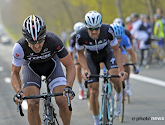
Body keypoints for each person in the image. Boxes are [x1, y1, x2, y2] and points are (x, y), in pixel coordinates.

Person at [11, 15, 75, 125]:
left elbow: (70, 65)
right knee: (32, 104)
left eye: (40, 40)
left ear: (44, 36)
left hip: (52, 66)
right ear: (26, 39)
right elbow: (14, 73)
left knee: (63, 100)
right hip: (31, 69)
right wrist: (18, 91)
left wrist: (68, 86)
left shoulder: (54, 40)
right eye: (32, 41)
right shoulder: (19, 47)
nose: (36, 45)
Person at [75, 11, 128, 125]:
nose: (94, 31)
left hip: (107, 53)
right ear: (86, 27)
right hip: (91, 57)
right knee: (93, 90)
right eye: (91, 29)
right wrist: (85, 69)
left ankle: (118, 98)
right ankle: (96, 121)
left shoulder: (107, 30)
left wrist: (121, 70)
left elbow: (116, 50)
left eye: (97, 28)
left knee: (115, 78)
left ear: (100, 26)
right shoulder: (80, 35)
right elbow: (80, 53)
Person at [110, 23, 139, 96]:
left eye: (120, 37)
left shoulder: (125, 38)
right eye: (116, 38)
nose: (118, 40)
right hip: (110, 52)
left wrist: (134, 65)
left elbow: (132, 53)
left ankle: (128, 82)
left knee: (126, 62)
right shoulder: (108, 38)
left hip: (121, 50)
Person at [68, 22, 85, 99]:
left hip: (87, 53)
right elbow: (70, 52)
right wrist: (70, 64)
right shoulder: (73, 37)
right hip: (78, 54)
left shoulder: (88, 34)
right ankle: (81, 88)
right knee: (78, 68)